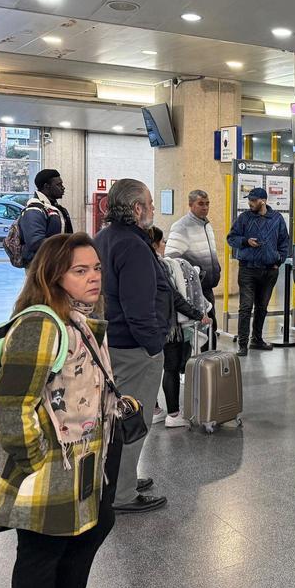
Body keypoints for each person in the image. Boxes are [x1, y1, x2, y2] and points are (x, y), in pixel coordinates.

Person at [0, 233, 115, 588]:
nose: (93, 278)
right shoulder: (41, 324)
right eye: (80, 270)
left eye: (95, 268)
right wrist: (32, 463)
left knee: (91, 527)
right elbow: (11, 406)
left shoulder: (77, 318)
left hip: (78, 458)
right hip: (46, 463)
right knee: (42, 551)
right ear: (53, 276)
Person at [94, 179, 167, 513]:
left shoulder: (105, 238)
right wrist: (153, 346)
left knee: (117, 418)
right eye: (149, 203)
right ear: (137, 208)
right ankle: (122, 494)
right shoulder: (134, 246)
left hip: (115, 342)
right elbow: (139, 308)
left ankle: (118, 480)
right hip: (136, 349)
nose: (152, 208)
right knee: (134, 421)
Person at [147, 227, 210, 427]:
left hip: (146, 324)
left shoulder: (139, 263)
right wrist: (198, 314)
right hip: (166, 325)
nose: (165, 244)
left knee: (151, 370)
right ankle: (173, 415)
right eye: (162, 241)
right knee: (171, 368)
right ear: (155, 244)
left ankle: (154, 409)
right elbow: (173, 296)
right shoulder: (159, 266)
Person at [225, 187, 289, 356]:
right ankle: (242, 344)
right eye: (249, 200)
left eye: (253, 200)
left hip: (269, 271)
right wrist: (246, 241)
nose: (250, 203)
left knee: (262, 307)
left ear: (263, 201)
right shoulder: (244, 218)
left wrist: (279, 260)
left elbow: (284, 242)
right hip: (248, 269)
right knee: (245, 307)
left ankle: (257, 340)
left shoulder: (277, 219)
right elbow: (231, 238)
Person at [165, 190, 221, 349]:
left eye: (207, 203)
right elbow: (171, 258)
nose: (205, 207)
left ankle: (210, 363)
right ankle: (200, 365)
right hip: (194, 290)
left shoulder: (206, 225)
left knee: (211, 325)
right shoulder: (182, 226)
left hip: (207, 287)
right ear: (190, 205)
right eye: (201, 204)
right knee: (201, 328)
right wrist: (196, 272)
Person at [20, 168, 74, 266]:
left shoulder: (55, 208)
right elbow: (35, 243)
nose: (63, 188)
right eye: (58, 185)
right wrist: (65, 244)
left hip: (55, 263)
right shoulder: (34, 210)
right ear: (46, 186)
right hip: (41, 266)